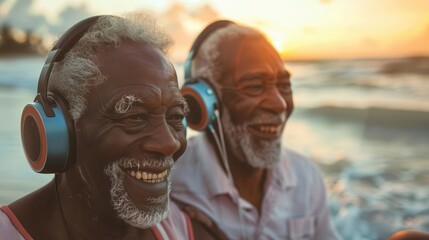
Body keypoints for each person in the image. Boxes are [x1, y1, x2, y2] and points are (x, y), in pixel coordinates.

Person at [0, 14, 194, 239]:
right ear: (62, 131)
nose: (169, 143)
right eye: (135, 117)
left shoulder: (179, 228)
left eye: (176, 117)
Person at [171, 20, 341, 239]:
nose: (279, 104)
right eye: (254, 86)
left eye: (284, 86)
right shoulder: (169, 186)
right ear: (201, 101)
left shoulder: (306, 177)